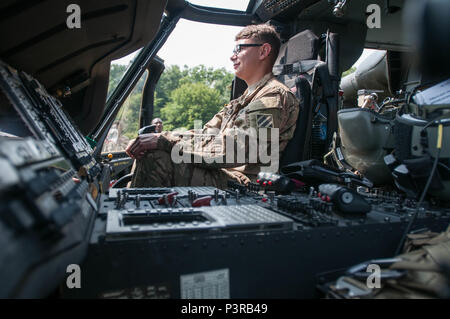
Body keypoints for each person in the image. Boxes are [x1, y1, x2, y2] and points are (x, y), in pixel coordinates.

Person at [126, 24, 299, 189]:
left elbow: (236, 148)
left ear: (263, 51)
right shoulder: (242, 100)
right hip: (225, 175)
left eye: (240, 49)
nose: (233, 56)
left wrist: (166, 142)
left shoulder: (273, 97)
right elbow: (206, 135)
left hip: (248, 185)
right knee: (152, 149)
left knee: (156, 157)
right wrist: (162, 137)